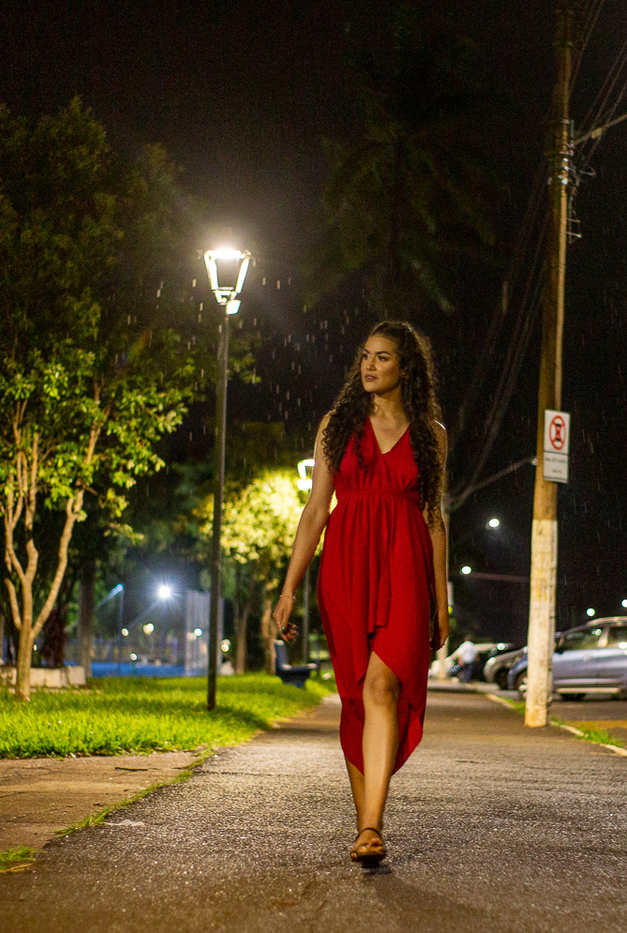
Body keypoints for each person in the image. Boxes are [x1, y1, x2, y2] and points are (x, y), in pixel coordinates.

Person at [273, 320, 449, 869]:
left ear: (406, 369)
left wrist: (441, 601)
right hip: (347, 566)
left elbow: (433, 517)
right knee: (356, 697)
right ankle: (364, 828)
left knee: (381, 687)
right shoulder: (338, 425)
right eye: (365, 357)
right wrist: (288, 589)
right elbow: (315, 512)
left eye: (383, 358)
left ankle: (372, 825)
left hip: (405, 565)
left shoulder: (431, 434)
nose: (369, 366)